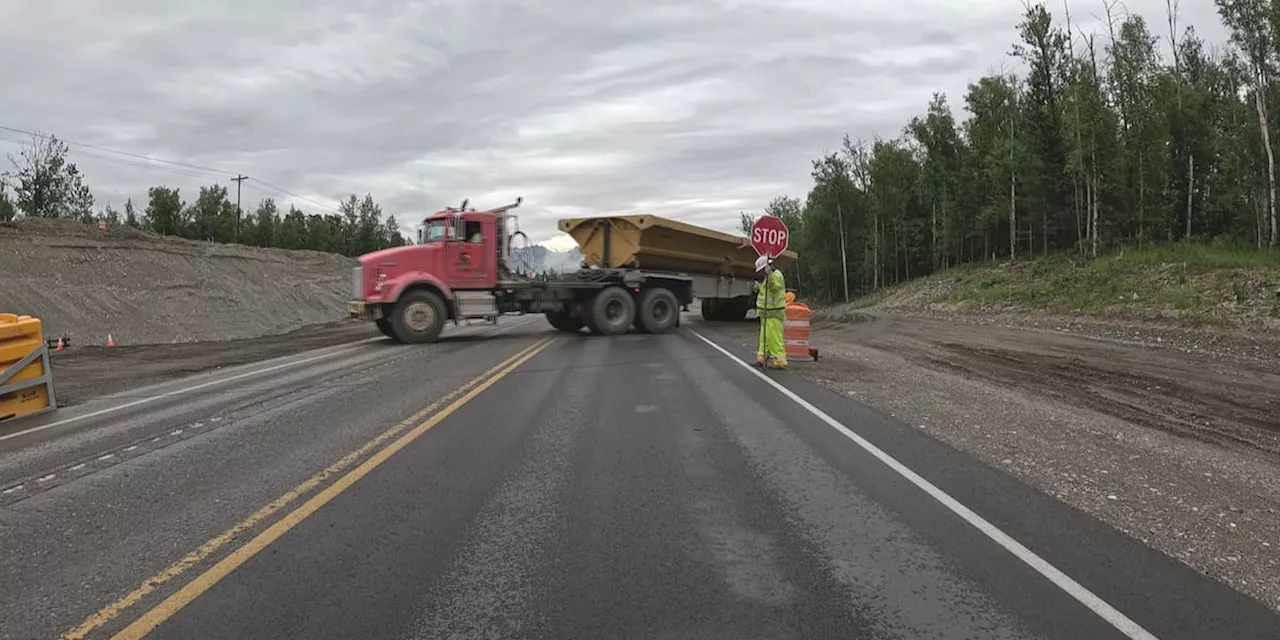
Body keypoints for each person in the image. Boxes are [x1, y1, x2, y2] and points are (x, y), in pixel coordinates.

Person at [754, 254, 787, 369]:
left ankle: (780, 361)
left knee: (774, 339)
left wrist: (770, 275)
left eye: (762, 270)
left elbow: (774, 288)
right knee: (764, 339)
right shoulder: (767, 277)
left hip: (774, 312)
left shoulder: (776, 276)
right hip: (766, 313)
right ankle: (761, 359)